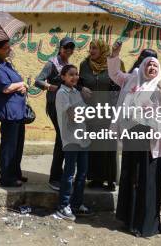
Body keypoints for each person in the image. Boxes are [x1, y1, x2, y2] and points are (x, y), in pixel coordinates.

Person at [108, 41, 161, 237]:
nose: (152, 68)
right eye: (149, 64)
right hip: (132, 137)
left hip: (151, 142)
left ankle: (146, 224)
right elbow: (114, 74)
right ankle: (129, 219)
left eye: (155, 65)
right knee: (130, 178)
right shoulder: (132, 80)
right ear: (142, 66)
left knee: (148, 181)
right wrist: (115, 55)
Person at [77, 39, 121, 191]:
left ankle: (110, 179)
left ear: (102, 49)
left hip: (108, 111)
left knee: (109, 146)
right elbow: (77, 82)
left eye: (94, 48)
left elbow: (120, 85)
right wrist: (81, 88)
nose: (91, 51)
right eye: (90, 48)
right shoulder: (84, 65)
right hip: (90, 112)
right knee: (94, 145)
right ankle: (95, 178)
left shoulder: (112, 64)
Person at [35, 37, 75, 191]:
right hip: (54, 105)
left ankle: (59, 173)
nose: (68, 51)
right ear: (60, 48)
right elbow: (38, 81)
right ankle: (54, 178)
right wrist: (49, 86)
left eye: (71, 48)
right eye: (66, 48)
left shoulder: (68, 65)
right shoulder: (52, 63)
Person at [53, 64, 92, 221]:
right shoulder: (62, 93)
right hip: (71, 139)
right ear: (63, 77)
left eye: (76, 74)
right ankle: (63, 205)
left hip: (83, 138)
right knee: (69, 174)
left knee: (82, 174)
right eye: (71, 74)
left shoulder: (76, 92)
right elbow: (74, 116)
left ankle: (77, 204)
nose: (75, 77)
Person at [0, 40, 27, 187]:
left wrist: (22, 88)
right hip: (9, 112)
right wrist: (22, 84)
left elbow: (16, 84)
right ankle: (7, 177)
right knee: (9, 146)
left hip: (18, 111)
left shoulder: (7, 64)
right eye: (6, 48)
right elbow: (5, 88)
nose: (9, 49)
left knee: (18, 145)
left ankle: (16, 173)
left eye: (9, 47)